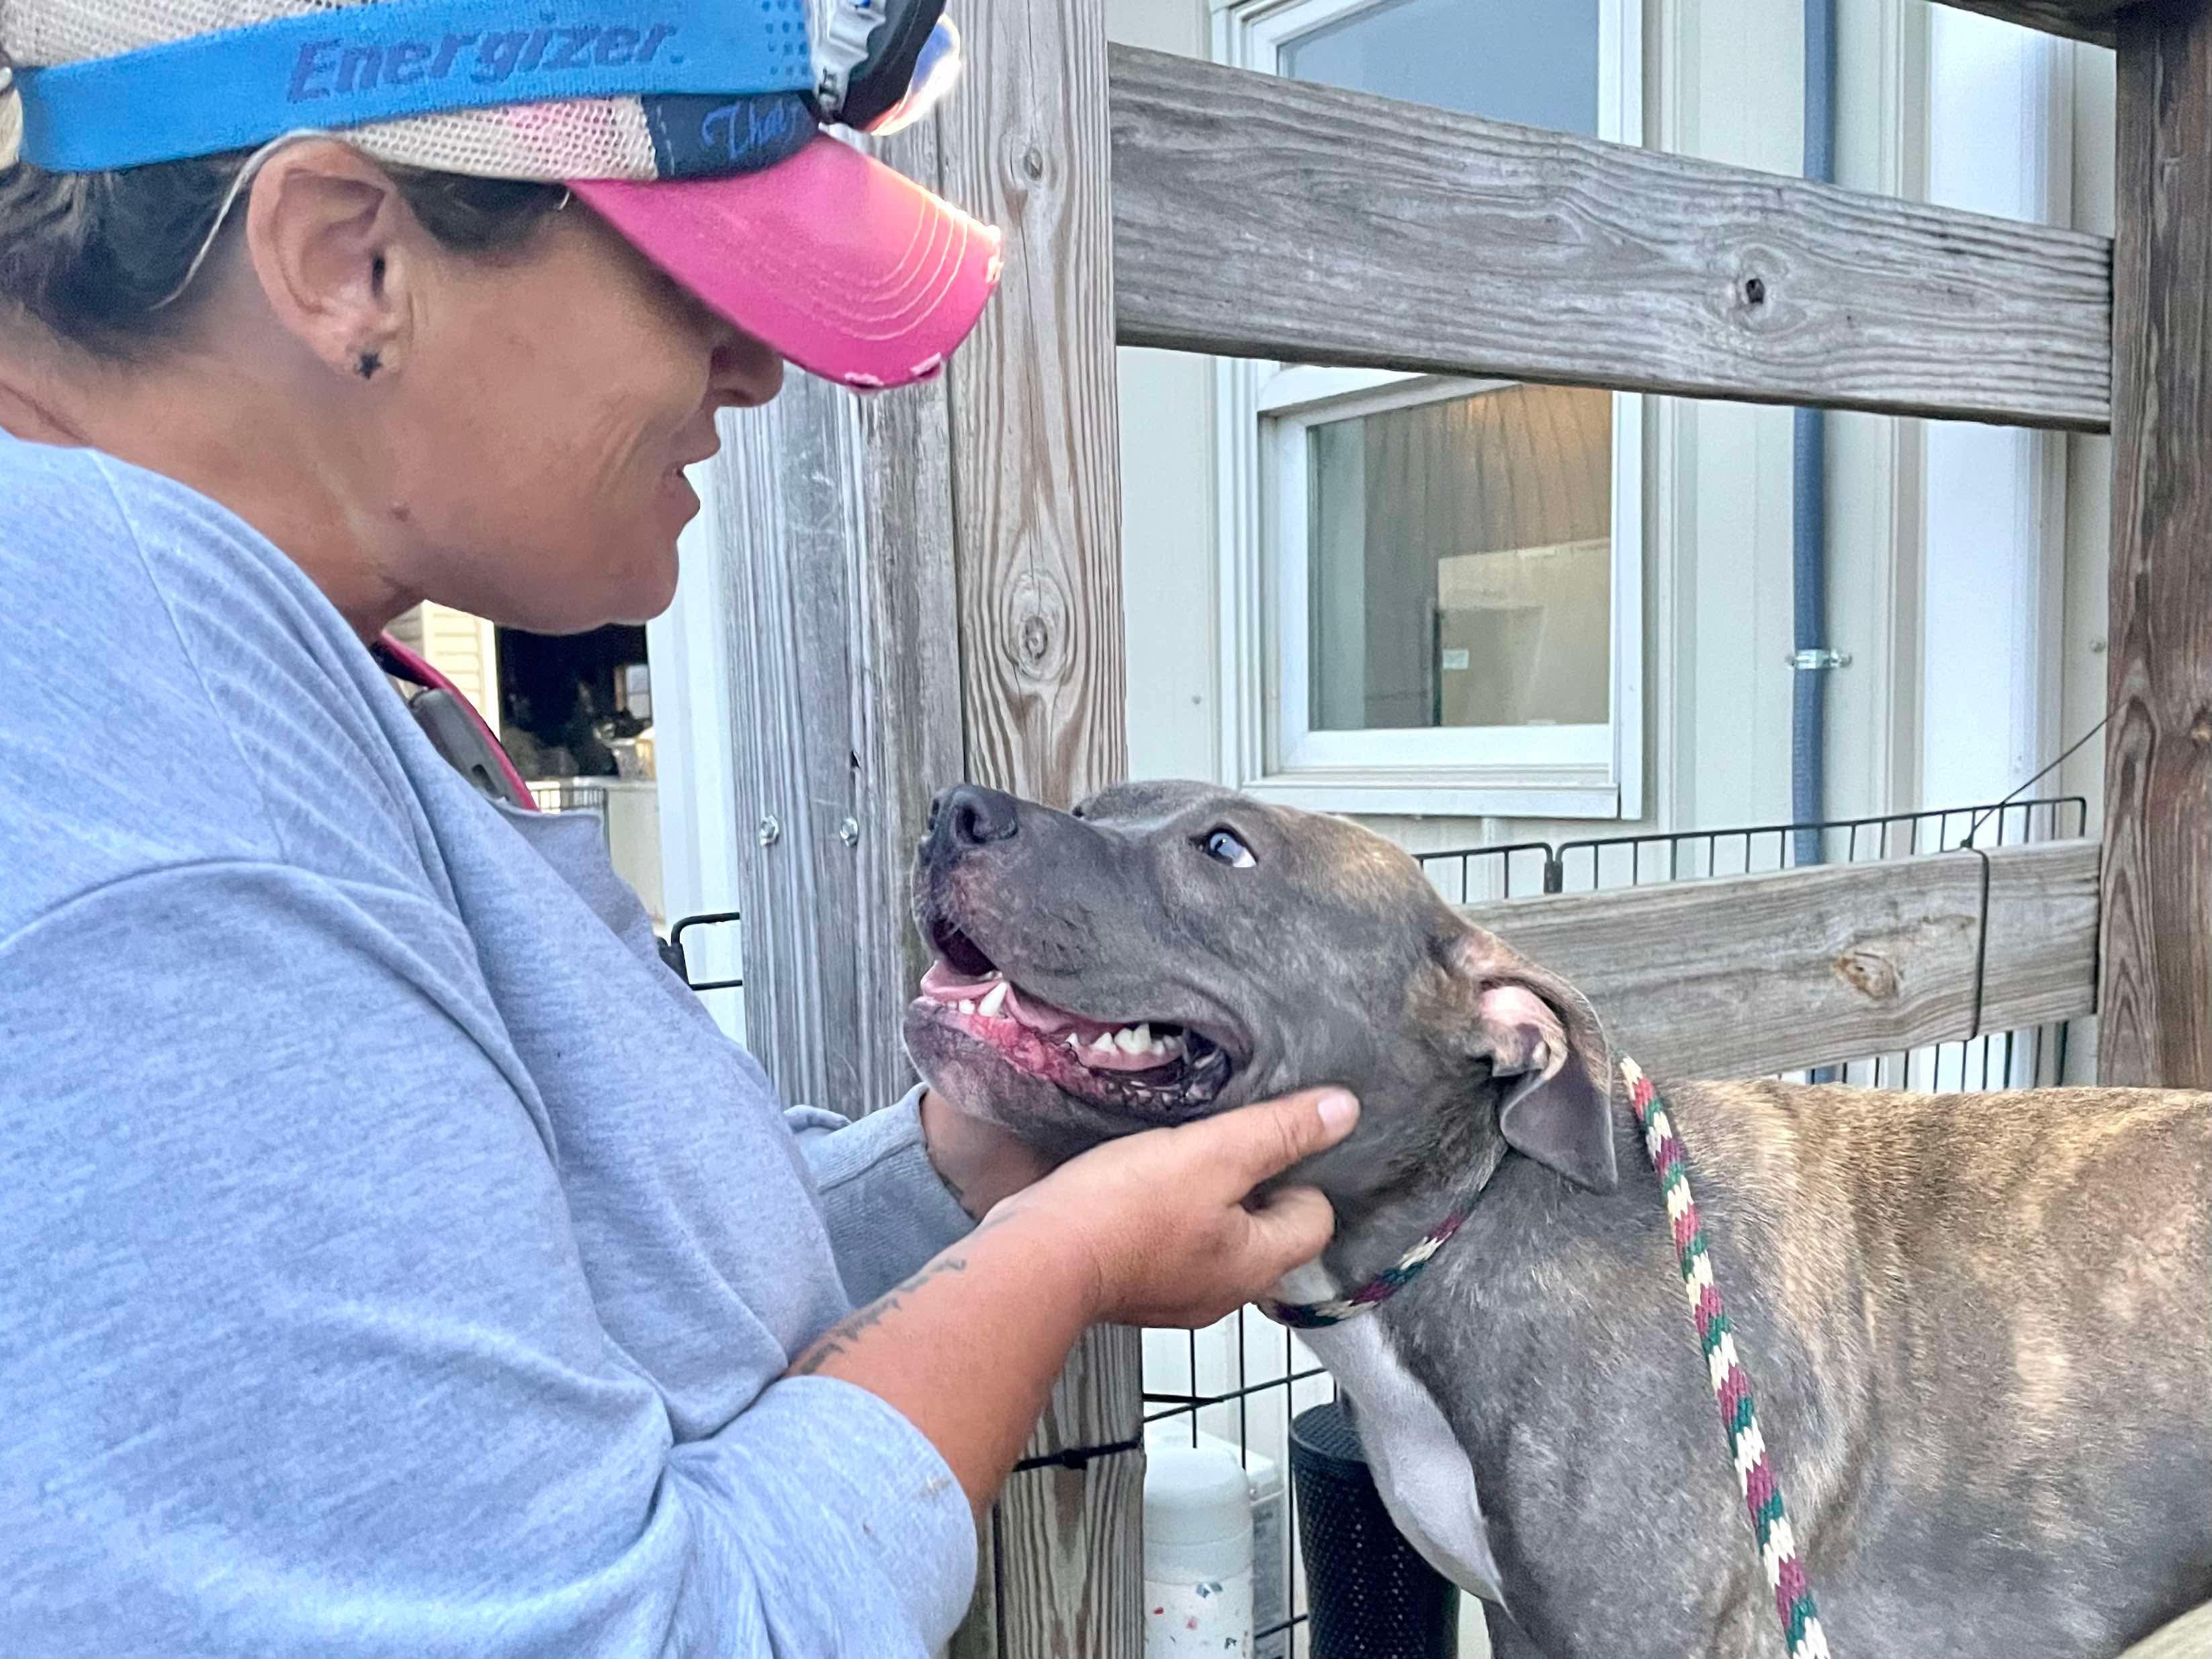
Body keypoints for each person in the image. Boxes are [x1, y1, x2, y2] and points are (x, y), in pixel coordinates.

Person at [0, 3, 1357, 1654]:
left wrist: (964, 1167)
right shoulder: (143, 766)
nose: (757, 361)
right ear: (346, 257)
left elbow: (574, 1304)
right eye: (691, 270)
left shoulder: (241, 657)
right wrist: (1056, 1262)